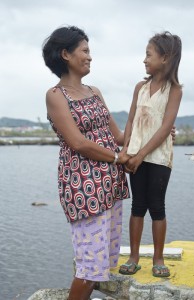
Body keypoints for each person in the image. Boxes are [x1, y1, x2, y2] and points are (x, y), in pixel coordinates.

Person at [42, 25, 131, 300]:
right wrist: (117, 158)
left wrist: (156, 132)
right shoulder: (56, 95)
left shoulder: (94, 91)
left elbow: (117, 136)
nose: (90, 57)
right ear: (65, 54)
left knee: (102, 263)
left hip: (110, 184)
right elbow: (77, 142)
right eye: (85, 51)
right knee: (89, 268)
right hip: (84, 187)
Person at [119, 31, 182, 277]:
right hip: (135, 156)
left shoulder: (174, 90)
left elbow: (166, 127)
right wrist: (126, 151)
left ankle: (158, 258)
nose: (144, 60)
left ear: (165, 58)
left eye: (149, 54)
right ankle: (134, 257)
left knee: (157, 206)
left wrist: (141, 154)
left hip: (159, 158)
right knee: (137, 205)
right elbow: (131, 120)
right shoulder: (140, 87)